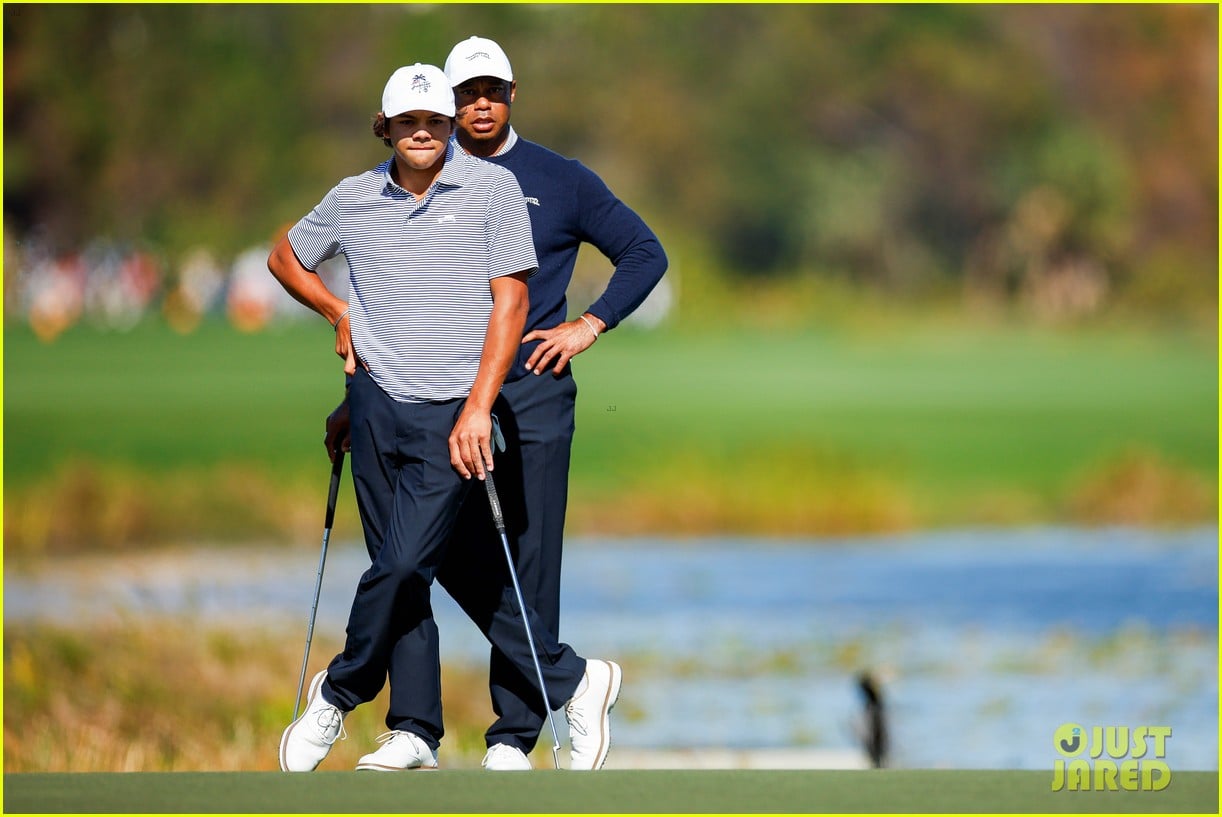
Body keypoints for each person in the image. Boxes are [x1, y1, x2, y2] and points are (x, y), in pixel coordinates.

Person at [324, 36, 667, 771]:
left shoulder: (561, 179)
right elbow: (388, 306)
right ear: (443, 105)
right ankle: (432, 719)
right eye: (466, 93)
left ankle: (515, 733)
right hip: (438, 397)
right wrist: (360, 399)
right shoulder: (417, 180)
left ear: (514, 93)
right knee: (429, 548)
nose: (480, 104)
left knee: (529, 560)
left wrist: (588, 324)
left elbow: (645, 251)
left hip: (533, 393)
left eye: (493, 91)